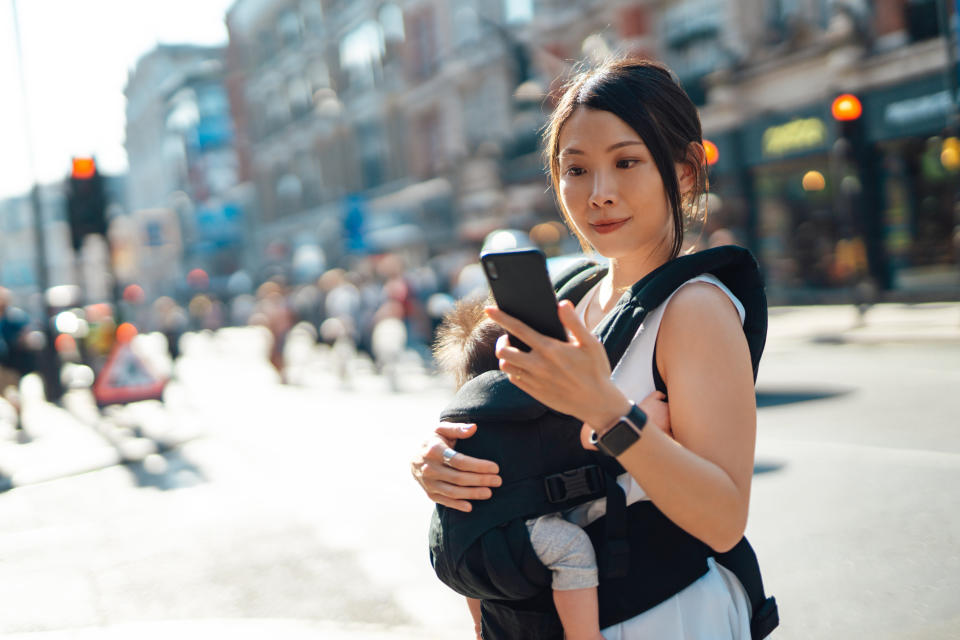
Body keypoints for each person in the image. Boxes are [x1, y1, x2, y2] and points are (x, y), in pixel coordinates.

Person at [411, 57, 760, 639]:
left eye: (627, 162)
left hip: (663, 617)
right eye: (576, 169)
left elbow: (724, 521)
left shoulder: (694, 308)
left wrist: (606, 411)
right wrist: (443, 462)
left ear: (685, 173)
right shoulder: (573, 294)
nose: (599, 193)